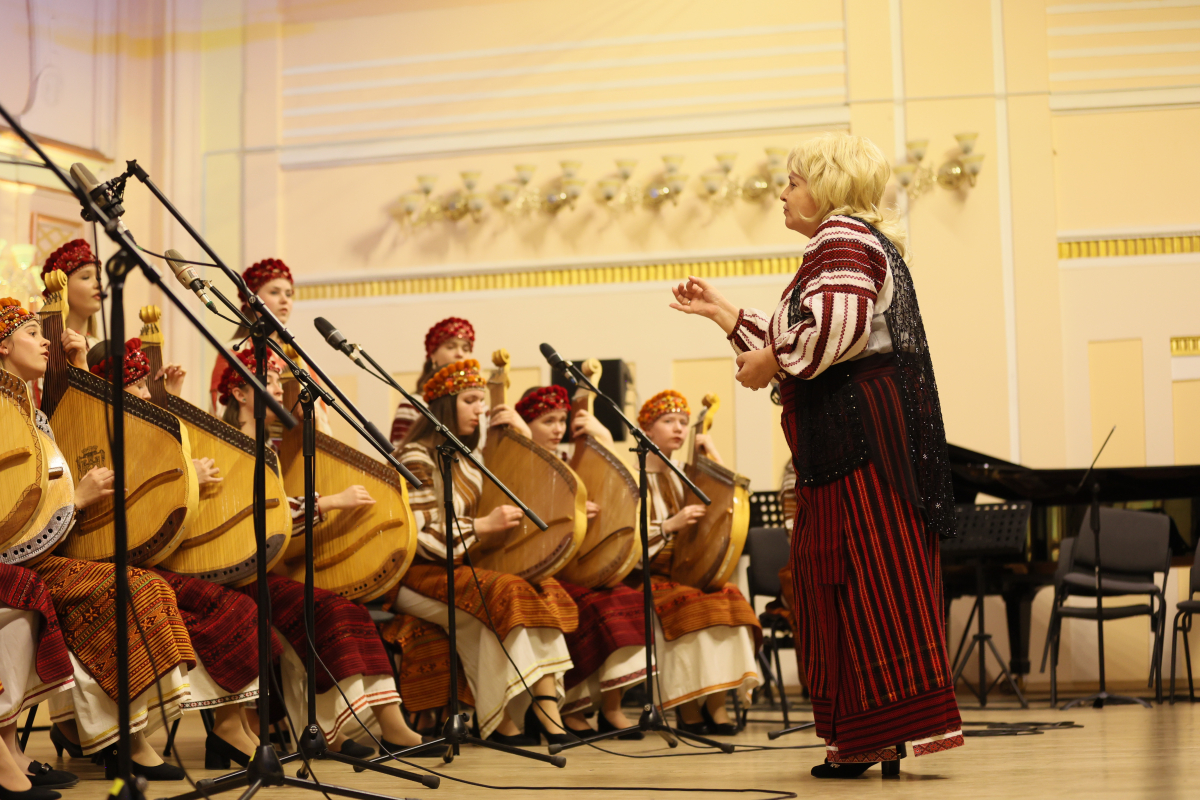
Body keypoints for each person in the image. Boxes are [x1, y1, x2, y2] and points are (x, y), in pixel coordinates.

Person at [669, 131, 963, 776]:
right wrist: (725, 314)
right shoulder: (844, 244)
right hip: (850, 437)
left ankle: (870, 735)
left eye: (794, 181)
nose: (783, 191)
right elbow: (810, 338)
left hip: (860, 439)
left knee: (859, 576)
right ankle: (865, 735)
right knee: (840, 576)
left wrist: (772, 358)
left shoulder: (842, 239)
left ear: (827, 188)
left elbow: (829, 334)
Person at [0, 300, 194, 781]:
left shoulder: (33, 415)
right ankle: (116, 738)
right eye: (30, 333)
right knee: (131, 589)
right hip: (21, 559)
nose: (43, 340)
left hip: (44, 555)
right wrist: (79, 505)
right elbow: (15, 511)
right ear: (2, 347)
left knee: (145, 586)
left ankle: (125, 735)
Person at [214, 348, 428, 755]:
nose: (280, 390)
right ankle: (328, 733)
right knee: (327, 610)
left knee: (351, 608)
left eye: (279, 382)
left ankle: (391, 723)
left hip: (272, 570)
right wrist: (324, 504)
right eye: (271, 382)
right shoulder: (232, 444)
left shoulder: (274, 445)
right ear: (241, 394)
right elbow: (256, 513)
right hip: (239, 575)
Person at [85, 338, 271, 769]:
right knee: (224, 606)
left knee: (241, 603)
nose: (147, 395)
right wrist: (188, 476)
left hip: (154, 559)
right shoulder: (98, 436)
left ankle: (233, 726)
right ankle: (224, 731)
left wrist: (177, 401)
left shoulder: (139, 429)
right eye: (136, 387)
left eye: (147, 385)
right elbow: (138, 501)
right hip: (121, 562)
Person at [381, 360, 579, 745]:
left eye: (482, 401)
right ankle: (525, 717)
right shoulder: (415, 457)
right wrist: (482, 527)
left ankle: (521, 714)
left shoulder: (470, 461)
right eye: (471, 400)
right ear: (442, 406)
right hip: (415, 573)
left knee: (540, 586)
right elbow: (420, 536)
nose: (481, 409)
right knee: (503, 593)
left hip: (458, 566)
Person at [516, 385, 647, 737]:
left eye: (562, 419)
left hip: (574, 563)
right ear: (525, 423)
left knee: (627, 597)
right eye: (547, 420)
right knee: (588, 607)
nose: (558, 428)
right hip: (540, 567)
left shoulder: (568, 460)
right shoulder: (515, 464)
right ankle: (572, 709)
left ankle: (612, 708)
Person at [634, 391, 761, 735]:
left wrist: (713, 456)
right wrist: (668, 526)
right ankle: (687, 708)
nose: (678, 428)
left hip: (687, 571)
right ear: (645, 428)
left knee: (728, 598)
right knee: (687, 606)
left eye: (683, 423)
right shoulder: (631, 478)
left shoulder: (684, 474)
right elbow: (623, 541)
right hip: (651, 574)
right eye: (667, 421)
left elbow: (724, 506)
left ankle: (716, 705)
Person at [208, 258, 330, 433]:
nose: (284, 300)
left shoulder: (297, 355)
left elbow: (323, 418)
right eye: (274, 292)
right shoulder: (235, 351)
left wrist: (313, 418)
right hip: (252, 447)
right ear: (252, 299)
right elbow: (220, 412)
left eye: (289, 294)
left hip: (297, 449)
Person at [389, 317, 474, 447]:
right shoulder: (412, 404)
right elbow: (399, 454)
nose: (460, 354)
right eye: (451, 347)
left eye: (466, 349)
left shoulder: (479, 405)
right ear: (432, 355)